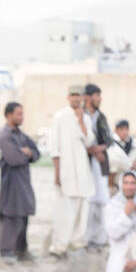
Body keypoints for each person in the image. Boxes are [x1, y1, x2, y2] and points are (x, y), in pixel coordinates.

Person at [48, 86, 93, 256]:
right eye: (73, 95)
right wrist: (57, 172)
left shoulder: (85, 118)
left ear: (82, 98)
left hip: (82, 170)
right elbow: (54, 146)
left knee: (82, 208)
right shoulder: (60, 117)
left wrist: (81, 121)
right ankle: (59, 246)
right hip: (66, 170)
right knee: (65, 210)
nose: (76, 99)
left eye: (78, 96)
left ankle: (76, 242)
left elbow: (89, 142)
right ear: (68, 97)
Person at [0, 102, 38, 262]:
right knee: (10, 215)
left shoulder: (21, 135)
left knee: (23, 216)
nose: (21, 117)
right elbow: (14, 159)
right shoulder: (4, 136)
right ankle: (6, 252)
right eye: (18, 114)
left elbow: (36, 153)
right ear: (8, 115)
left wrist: (28, 153)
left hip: (24, 182)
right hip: (10, 183)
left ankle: (21, 251)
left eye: (22, 113)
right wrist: (26, 154)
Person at [83, 84, 112, 247]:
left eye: (99, 96)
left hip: (100, 163)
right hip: (85, 164)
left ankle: (100, 238)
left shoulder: (101, 117)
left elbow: (108, 140)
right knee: (87, 203)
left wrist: (98, 149)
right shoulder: (80, 116)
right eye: (96, 95)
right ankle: (86, 239)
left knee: (102, 201)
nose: (98, 99)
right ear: (87, 97)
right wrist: (93, 151)